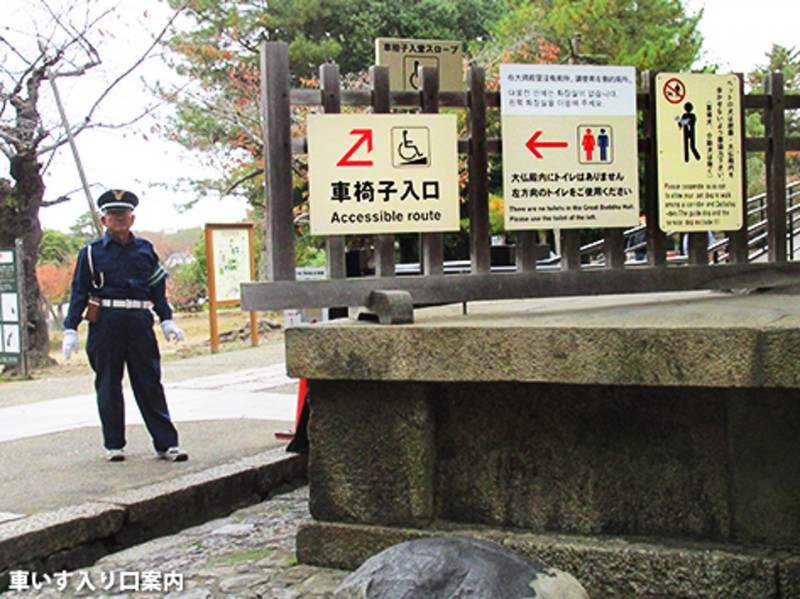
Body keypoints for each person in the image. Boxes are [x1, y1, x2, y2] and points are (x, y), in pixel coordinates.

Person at [62, 189, 189, 463]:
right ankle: (114, 444)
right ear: (104, 220)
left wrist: (166, 319)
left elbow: (157, 288)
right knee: (108, 383)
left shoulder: (144, 250)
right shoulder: (91, 253)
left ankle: (167, 443)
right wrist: (70, 328)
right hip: (106, 323)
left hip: (139, 322)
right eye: (112, 214)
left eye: (123, 214)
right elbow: (79, 292)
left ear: (132, 219)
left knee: (149, 382)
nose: (118, 219)